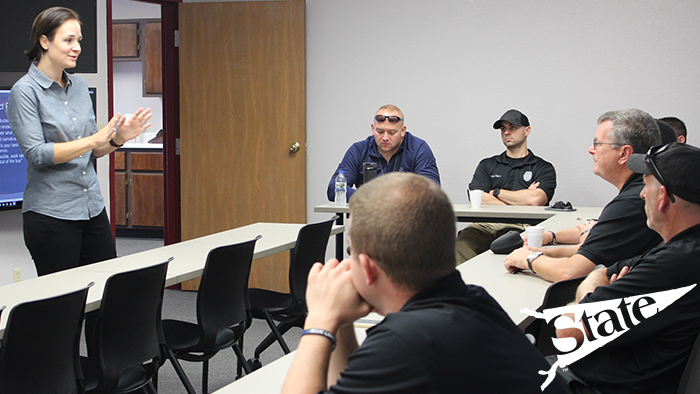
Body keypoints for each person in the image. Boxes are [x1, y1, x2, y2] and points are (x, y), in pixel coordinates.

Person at [283, 173, 567, 394]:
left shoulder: (406, 342)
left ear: (368, 269)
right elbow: (353, 384)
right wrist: (340, 323)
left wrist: (319, 318)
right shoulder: (473, 301)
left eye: (351, 252)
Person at [7, 7, 152, 276]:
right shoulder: (24, 92)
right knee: (63, 308)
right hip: (51, 215)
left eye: (79, 40)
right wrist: (92, 140)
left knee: (105, 294)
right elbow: (38, 154)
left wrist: (117, 139)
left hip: (91, 209)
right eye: (68, 40)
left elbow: (93, 151)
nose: (77, 48)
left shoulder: (80, 87)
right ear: (44, 41)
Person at [555, 142, 700, 394]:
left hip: (590, 386)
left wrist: (591, 287)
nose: (642, 194)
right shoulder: (681, 249)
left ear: (663, 197)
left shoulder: (671, 266)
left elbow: (568, 329)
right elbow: (608, 268)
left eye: (646, 185)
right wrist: (598, 283)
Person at [504, 109, 663, 282]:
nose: (590, 150)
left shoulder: (631, 203)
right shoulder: (641, 190)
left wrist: (527, 259)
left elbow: (569, 272)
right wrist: (541, 252)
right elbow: (591, 249)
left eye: (597, 144)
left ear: (624, 154)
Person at [455, 109, 556, 264]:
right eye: (503, 129)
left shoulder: (543, 167)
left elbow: (535, 200)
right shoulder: (488, 164)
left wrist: (496, 192)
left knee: (518, 254)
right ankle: (466, 287)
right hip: (485, 225)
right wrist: (521, 199)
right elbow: (477, 196)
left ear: (527, 130)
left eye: (513, 127)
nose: (507, 132)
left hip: (521, 227)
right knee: (459, 246)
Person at [326, 105, 440, 201]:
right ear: (372, 129)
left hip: (407, 220)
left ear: (403, 131)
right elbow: (333, 189)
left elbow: (432, 190)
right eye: (380, 131)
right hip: (370, 219)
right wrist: (367, 198)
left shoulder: (418, 148)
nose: (385, 138)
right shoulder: (358, 150)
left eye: (392, 132)